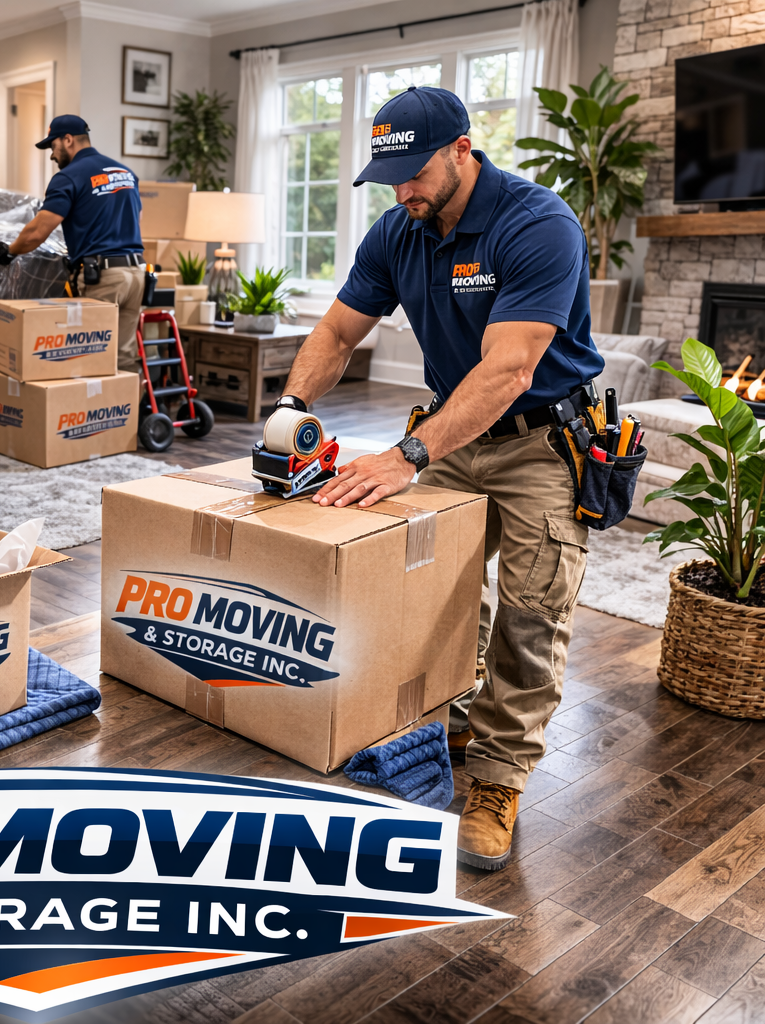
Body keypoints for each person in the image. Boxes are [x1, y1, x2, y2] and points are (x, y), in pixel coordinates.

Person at [276, 86, 603, 871]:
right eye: (388, 178)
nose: (402, 191)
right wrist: (289, 411)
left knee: (531, 610)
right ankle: (456, 712)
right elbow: (337, 330)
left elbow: (510, 370)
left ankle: (497, 776)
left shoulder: (538, 225)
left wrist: (407, 455)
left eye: (413, 172)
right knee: (440, 586)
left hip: (538, 440)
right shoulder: (400, 230)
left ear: (463, 148)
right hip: (452, 429)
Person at [0, 114, 147, 376]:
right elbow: (137, 219)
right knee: (123, 356)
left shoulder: (69, 177)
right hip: (136, 274)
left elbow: (38, 231)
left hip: (104, 278)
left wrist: (10, 251)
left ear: (68, 140)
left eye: (53, 147)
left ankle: (89, 412)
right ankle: (131, 414)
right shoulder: (125, 173)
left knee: (93, 355)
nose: (52, 155)